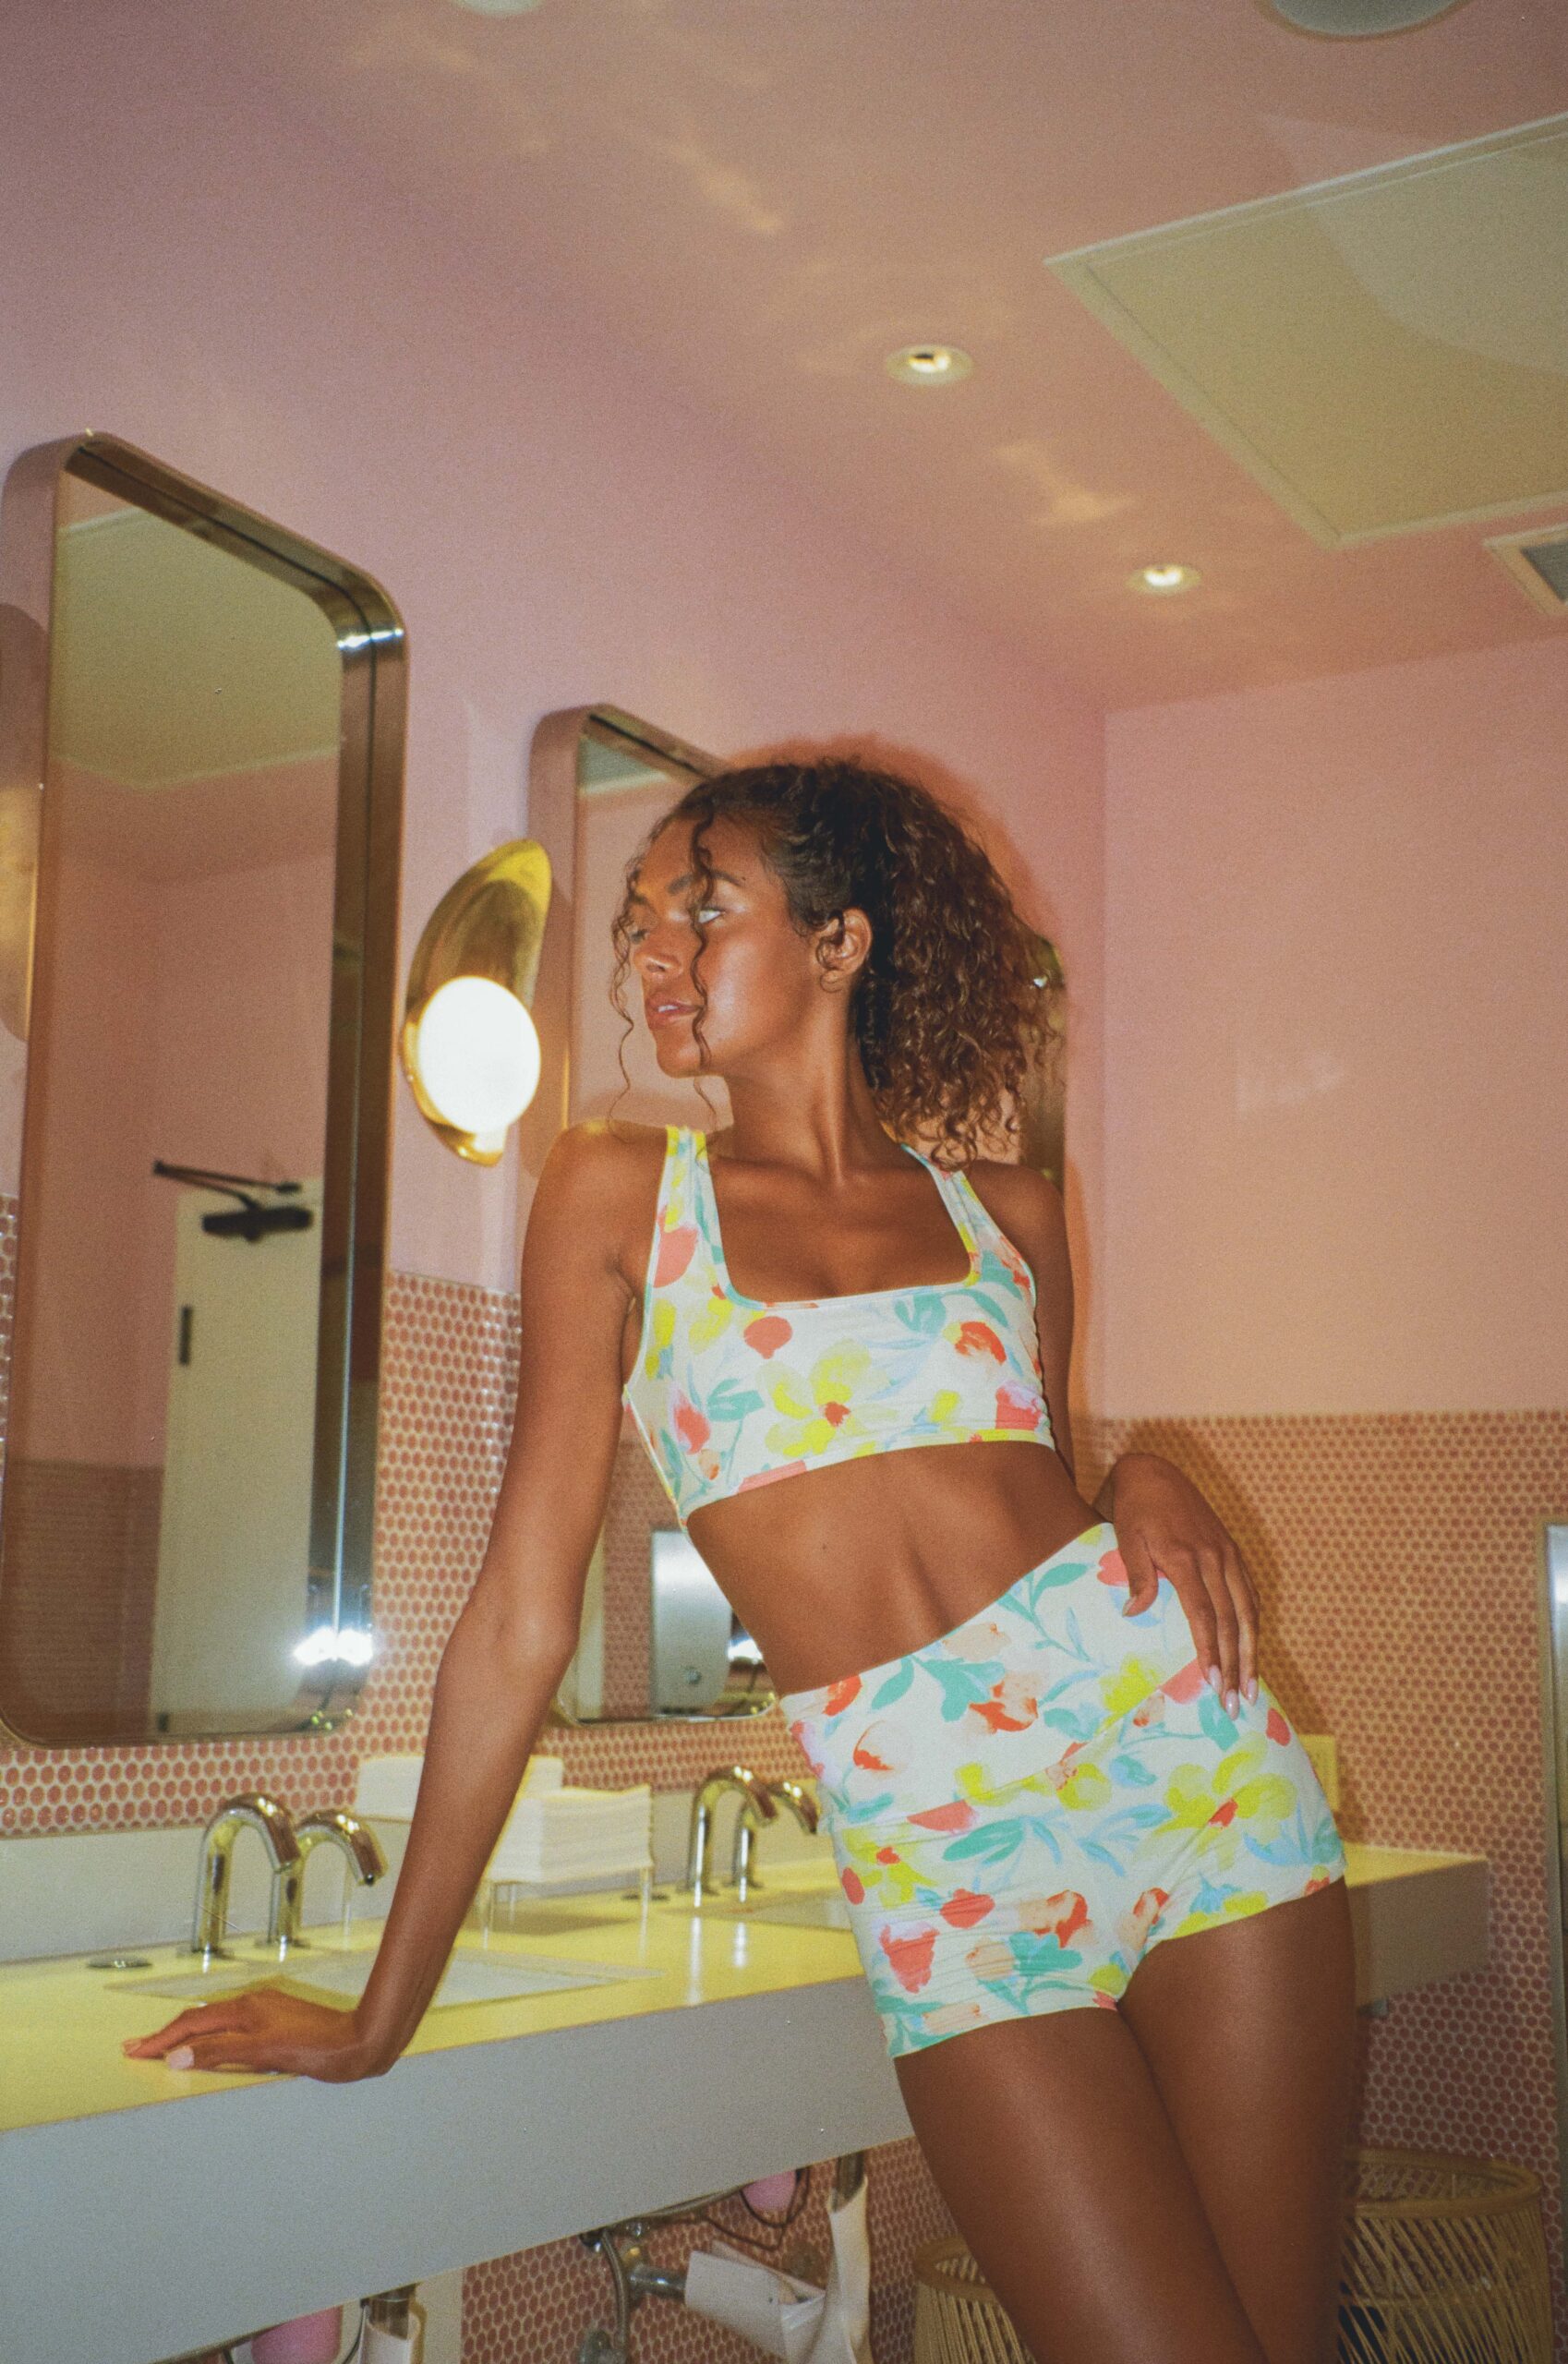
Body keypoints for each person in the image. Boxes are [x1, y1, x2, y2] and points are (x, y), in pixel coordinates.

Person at [127, 758, 1354, 2364]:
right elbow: (519, 1619)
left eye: (700, 911)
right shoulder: (619, 1195)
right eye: (639, 923)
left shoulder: (1010, 1211)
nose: (652, 953)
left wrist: (1139, 1471)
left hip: (1194, 1779)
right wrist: (381, 2010)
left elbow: (1038, 1494)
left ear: (839, 943)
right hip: (942, 1865)